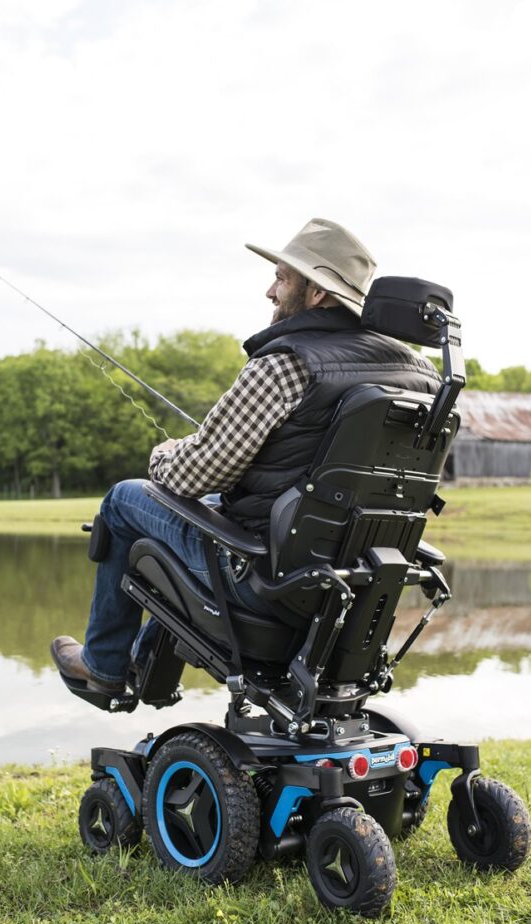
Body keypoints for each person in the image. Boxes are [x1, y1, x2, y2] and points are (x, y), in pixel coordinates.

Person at [51, 218, 440, 695]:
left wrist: (165, 453)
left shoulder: (284, 364)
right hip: (351, 587)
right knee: (215, 500)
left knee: (124, 500)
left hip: (264, 580)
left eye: (282, 277)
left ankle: (106, 668)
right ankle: (145, 662)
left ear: (316, 293)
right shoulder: (423, 378)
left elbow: (194, 474)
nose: (270, 291)